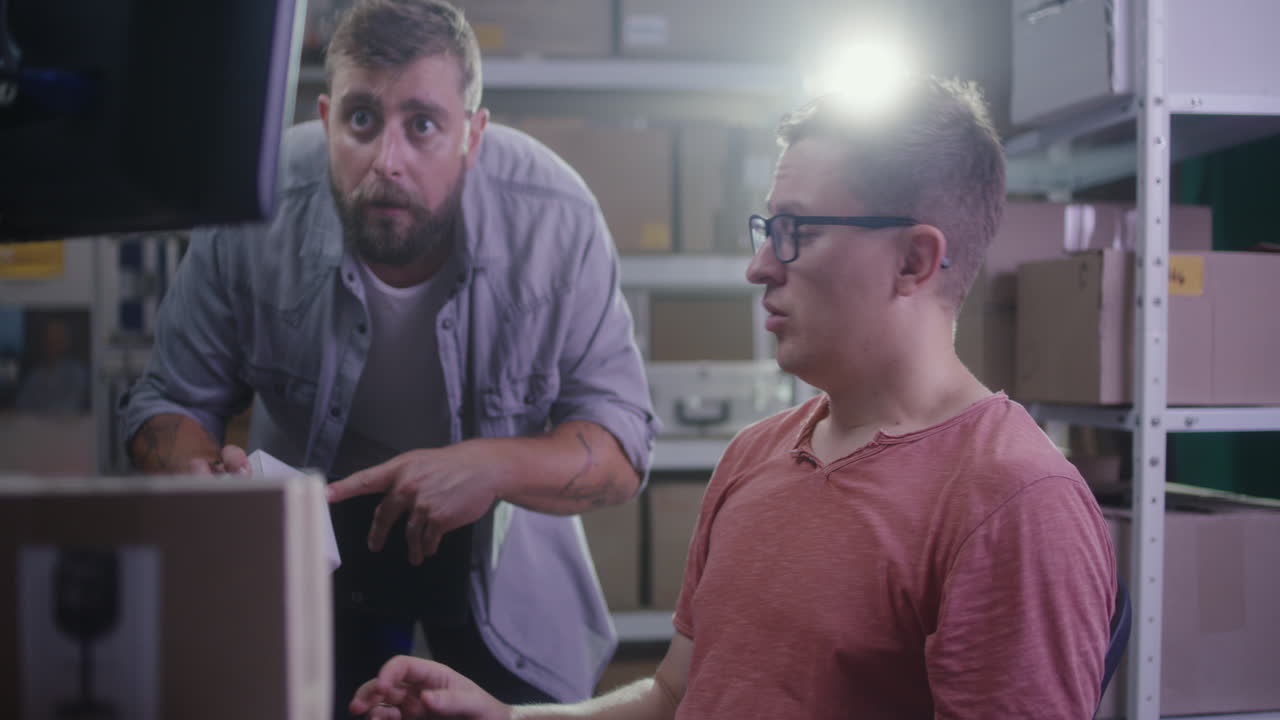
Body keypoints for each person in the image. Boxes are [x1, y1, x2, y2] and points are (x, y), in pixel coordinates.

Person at [345, 77, 1118, 720]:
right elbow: (672, 696)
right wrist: (504, 718)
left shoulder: (1013, 503)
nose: (758, 267)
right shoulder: (758, 453)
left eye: (795, 232)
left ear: (915, 259)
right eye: (764, 229)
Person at [118, 0, 658, 715]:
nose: (387, 161)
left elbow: (621, 447)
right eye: (362, 120)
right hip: (311, 540)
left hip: (498, 546)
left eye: (423, 125)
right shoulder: (256, 205)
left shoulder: (556, 219)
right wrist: (206, 482)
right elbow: (169, 402)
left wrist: (487, 463)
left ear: (474, 133)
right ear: (326, 113)